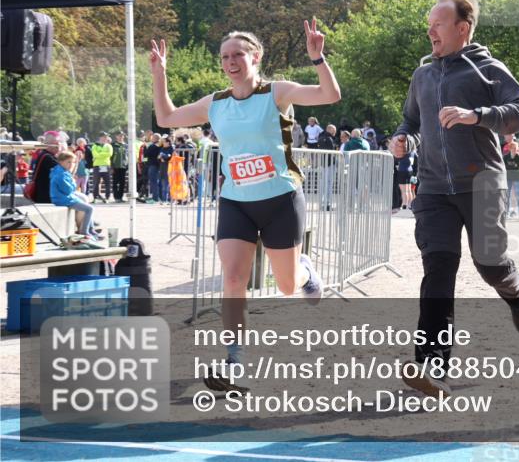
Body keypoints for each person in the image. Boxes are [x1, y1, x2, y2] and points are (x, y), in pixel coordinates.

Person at [149, 20, 340, 394]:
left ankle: (304, 271)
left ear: (256, 57)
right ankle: (236, 361)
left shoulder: (276, 92)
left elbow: (329, 95)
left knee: (286, 285)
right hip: (237, 202)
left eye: (238, 54)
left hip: (281, 199)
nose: (231, 62)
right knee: (234, 279)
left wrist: (318, 58)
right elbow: (166, 118)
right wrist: (160, 75)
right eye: (225, 57)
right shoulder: (215, 103)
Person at [390, 0, 519, 398]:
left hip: (482, 184)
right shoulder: (422, 75)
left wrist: (477, 116)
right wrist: (403, 139)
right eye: (429, 25)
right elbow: (411, 121)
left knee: (489, 265)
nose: (430, 32)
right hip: (434, 189)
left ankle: (515, 290)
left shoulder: (487, 69)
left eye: (438, 24)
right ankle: (431, 367)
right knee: (438, 270)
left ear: (463, 28)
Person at [49, 151, 101, 239]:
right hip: (62, 199)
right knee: (89, 209)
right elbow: (68, 190)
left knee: (85, 200)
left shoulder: (61, 170)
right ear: (61, 162)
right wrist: (73, 182)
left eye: (72, 162)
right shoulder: (61, 174)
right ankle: (85, 231)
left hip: (62, 196)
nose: (71, 165)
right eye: (68, 162)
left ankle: (90, 229)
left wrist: (72, 181)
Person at [503, 138, 519, 219]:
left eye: (515, 148)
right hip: (508, 178)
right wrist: (511, 166)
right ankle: (507, 213)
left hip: (517, 178)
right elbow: (505, 167)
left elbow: (517, 168)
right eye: (513, 148)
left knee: (518, 195)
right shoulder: (505, 157)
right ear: (510, 148)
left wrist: (509, 166)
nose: (514, 150)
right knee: (507, 196)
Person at [90, 133, 114, 203]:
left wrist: (99, 154)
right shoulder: (95, 146)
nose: (105, 138)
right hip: (97, 166)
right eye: (104, 137)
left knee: (107, 182)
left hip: (106, 165)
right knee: (96, 182)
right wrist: (103, 154)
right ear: (100, 137)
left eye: (106, 137)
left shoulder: (109, 146)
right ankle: (95, 197)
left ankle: (107, 197)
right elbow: (95, 155)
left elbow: (109, 154)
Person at [111, 131, 129, 202]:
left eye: (122, 135)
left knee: (122, 183)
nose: (121, 137)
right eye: (119, 135)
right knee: (115, 182)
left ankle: (120, 197)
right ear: (116, 136)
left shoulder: (126, 145)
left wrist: (127, 165)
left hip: (123, 167)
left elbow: (127, 156)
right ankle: (116, 197)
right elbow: (111, 157)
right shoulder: (113, 145)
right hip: (115, 166)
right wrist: (111, 166)